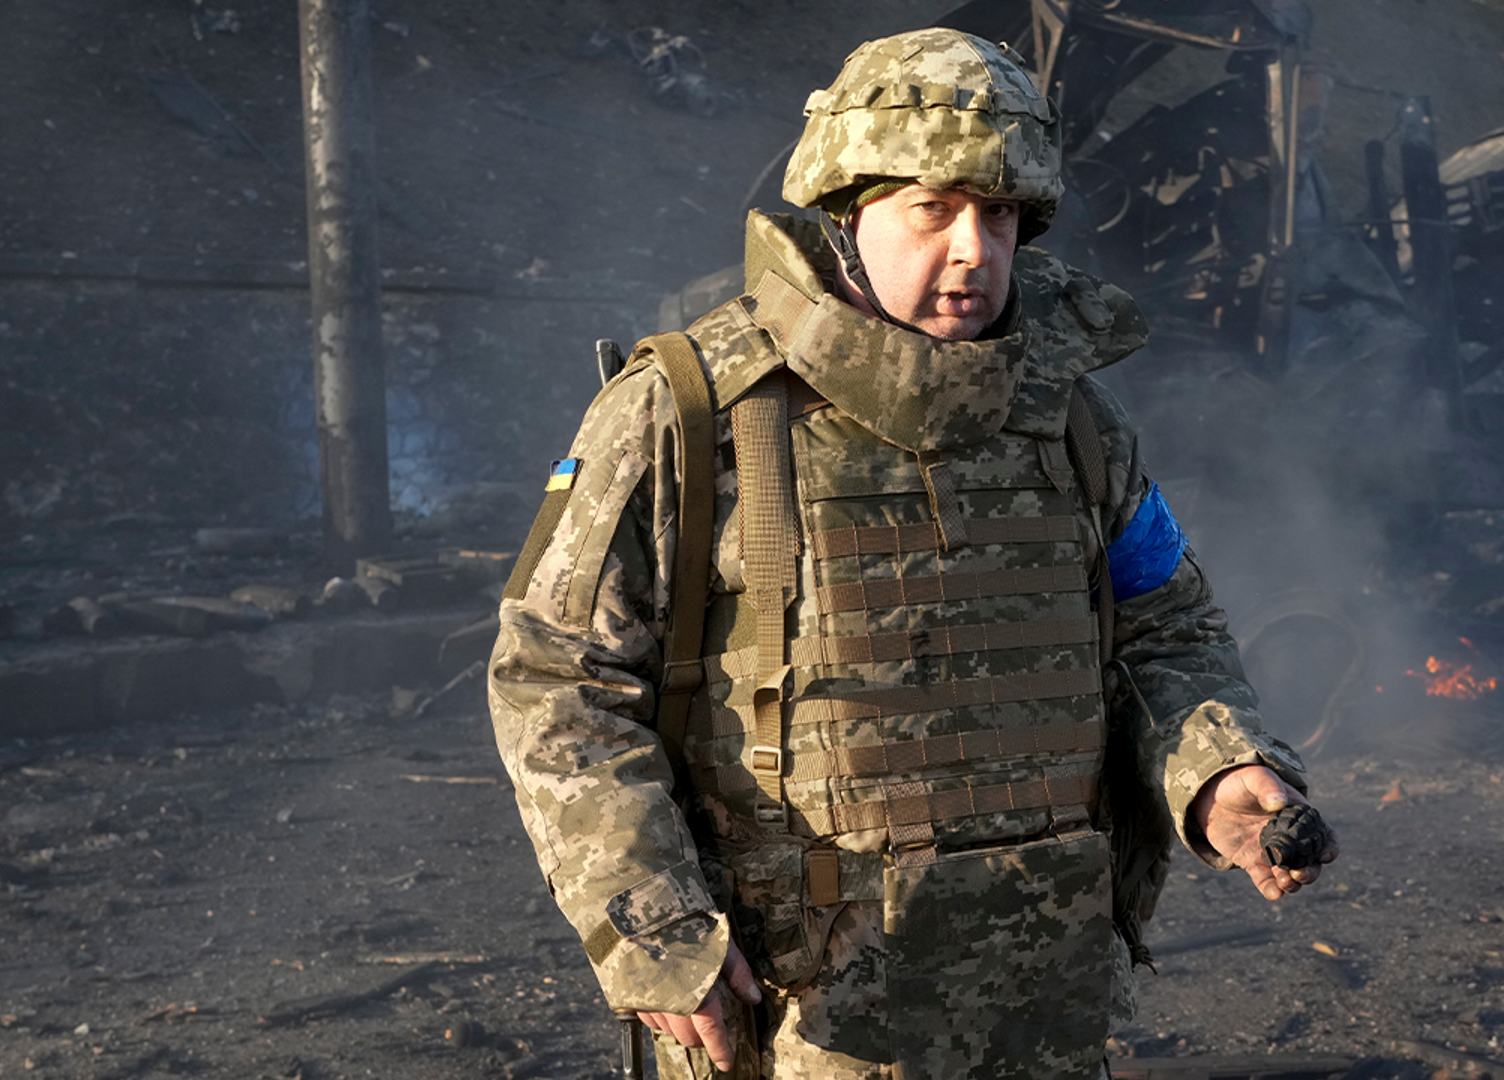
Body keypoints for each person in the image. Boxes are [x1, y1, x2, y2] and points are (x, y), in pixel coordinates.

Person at [488, 27, 1338, 1080]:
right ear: (851, 213)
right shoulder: (693, 409)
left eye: (1000, 214)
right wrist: (656, 931)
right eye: (931, 209)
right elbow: (558, 676)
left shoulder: (1073, 416)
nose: (974, 250)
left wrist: (1216, 768)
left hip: (1043, 1001)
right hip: (806, 1017)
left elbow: (1162, 620)